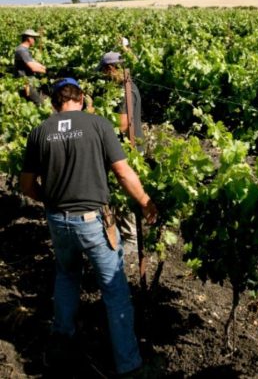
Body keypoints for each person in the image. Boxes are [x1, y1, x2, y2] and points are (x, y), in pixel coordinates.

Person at [19, 78, 157, 376]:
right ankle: (128, 365)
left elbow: (27, 185)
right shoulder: (98, 125)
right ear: (81, 99)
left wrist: (50, 201)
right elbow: (122, 172)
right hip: (93, 221)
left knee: (67, 276)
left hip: (58, 220)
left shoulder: (39, 132)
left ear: (54, 103)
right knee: (114, 289)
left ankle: (61, 345)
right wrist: (145, 201)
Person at [98, 51, 144, 252]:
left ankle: (131, 237)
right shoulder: (122, 87)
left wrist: (97, 120)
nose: (103, 76)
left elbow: (123, 124)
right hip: (122, 146)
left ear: (111, 69)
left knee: (126, 189)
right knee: (119, 189)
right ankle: (122, 232)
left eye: (104, 71)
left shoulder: (126, 90)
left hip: (128, 148)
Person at [14, 29, 47, 104]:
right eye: (34, 38)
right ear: (29, 39)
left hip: (27, 82)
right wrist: (46, 71)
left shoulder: (24, 50)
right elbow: (33, 68)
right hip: (25, 83)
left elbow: (33, 62)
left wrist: (44, 67)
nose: (35, 40)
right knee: (39, 103)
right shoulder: (22, 51)